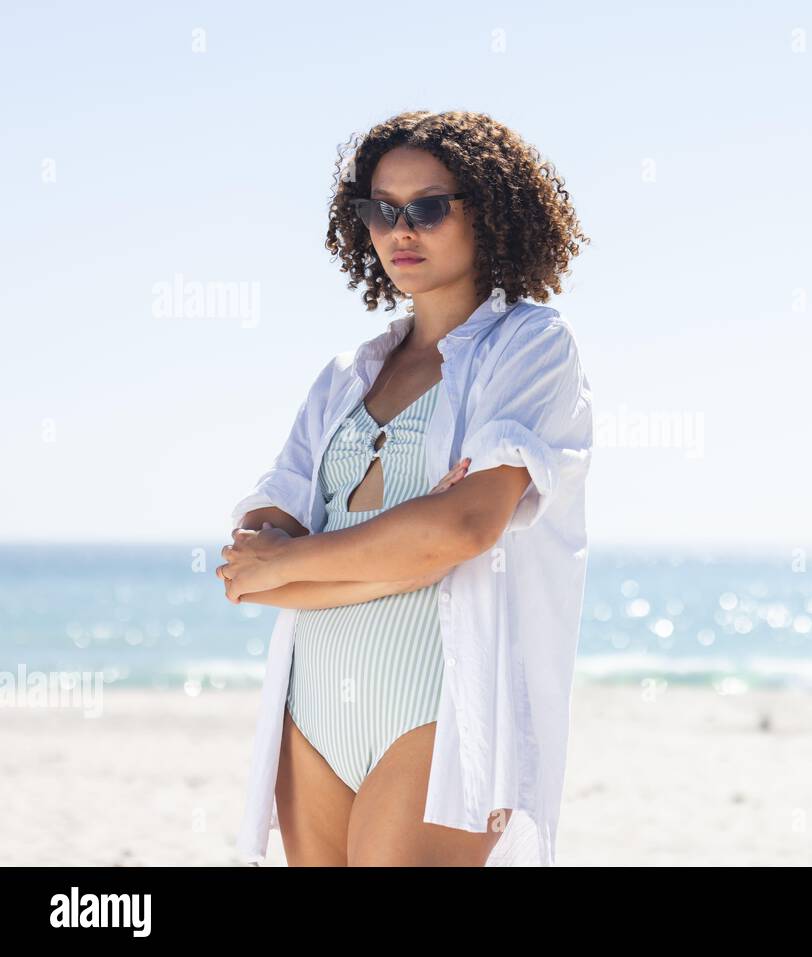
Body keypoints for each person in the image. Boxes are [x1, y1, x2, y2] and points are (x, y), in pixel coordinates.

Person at [216, 109, 593, 866]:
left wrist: (302, 559)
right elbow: (249, 569)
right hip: (311, 706)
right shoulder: (343, 376)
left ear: (486, 211)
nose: (400, 231)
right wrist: (405, 551)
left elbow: (462, 531)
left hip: (440, 705)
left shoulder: (530, 347)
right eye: (380, 211)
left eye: (426, 207)